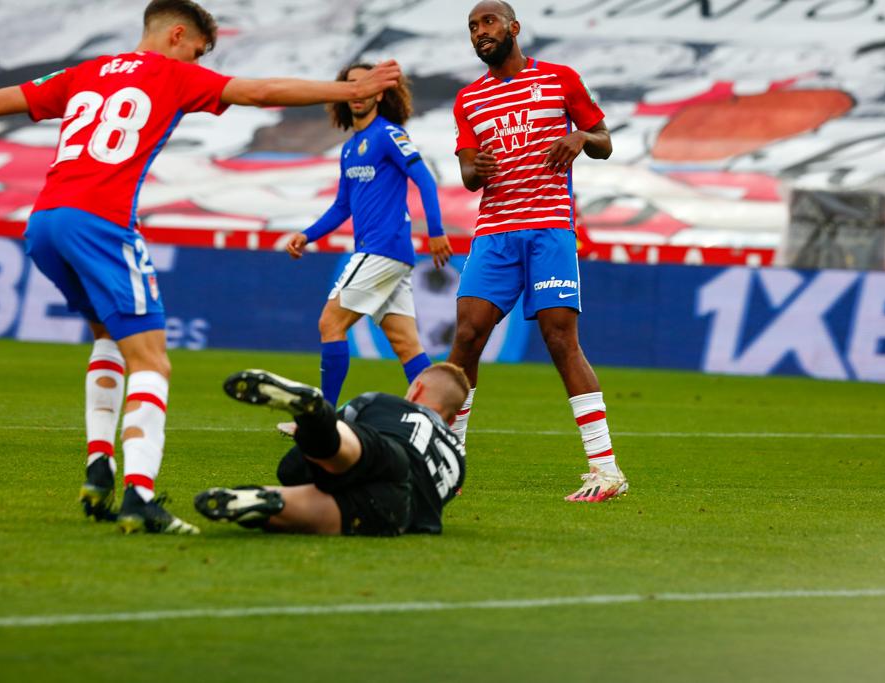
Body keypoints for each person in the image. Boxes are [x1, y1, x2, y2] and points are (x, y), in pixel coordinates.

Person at [0, 0, 401, 534]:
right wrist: (350, 91)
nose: (199, 59)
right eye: (198, 50)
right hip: (101, 224)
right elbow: (260, 93)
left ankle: (99, 467)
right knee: (152, 362)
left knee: (108, 337)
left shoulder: (85, 71)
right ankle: (140, 497)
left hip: (44, 222)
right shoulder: (173, 74)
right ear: (177, 35)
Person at [448, 1, 627, 502]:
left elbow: (605, 142)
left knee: (559, 339)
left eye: (487, 22)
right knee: (467, 335)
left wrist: (579, 137)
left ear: (513, 27)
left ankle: (606, 469)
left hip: (549, 228)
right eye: (472, 27)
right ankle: (451, 461)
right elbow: (466, 175)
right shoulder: (468, 100)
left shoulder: (560, 79)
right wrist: (475, 169)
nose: (480, 32)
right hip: (495, 231)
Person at [285, 63, 452, 409]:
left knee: (330, 322)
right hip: (386, 254)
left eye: (365, 85)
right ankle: (436, 420)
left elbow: (425, 180)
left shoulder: (388, 134)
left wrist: (436, 232)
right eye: (351, 86)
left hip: (383, 249)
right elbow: (341, 206)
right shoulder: (351, 147)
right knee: (406, 345)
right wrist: (307, 234)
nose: (358, 92)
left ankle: (323, 420)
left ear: (379, 93)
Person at [194, 363, 468, 536]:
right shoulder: (458, 458)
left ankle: (314, 416)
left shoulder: (384, 403)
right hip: (397, 513)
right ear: (453, 419)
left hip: (388, 452)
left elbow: (292, 469)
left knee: (344, 451)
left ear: (416, 389)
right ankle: (268, 502)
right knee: (346, 509)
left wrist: (307, 441)